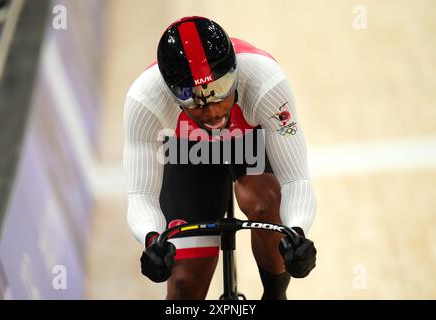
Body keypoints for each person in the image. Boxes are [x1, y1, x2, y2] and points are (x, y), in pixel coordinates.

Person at [123, 16, 317, 300]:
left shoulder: (266, 82)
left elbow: (296, 180)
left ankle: (276, 296)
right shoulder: (145, 100)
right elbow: (141, 196)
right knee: (184, 284)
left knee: (266, 202)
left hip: (247, 137)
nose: (212, 111)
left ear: (235, 70)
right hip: (186, 148)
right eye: (193, 98)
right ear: (169, 90)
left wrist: (297, 234)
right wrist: (153, 239)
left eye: (220, 90)